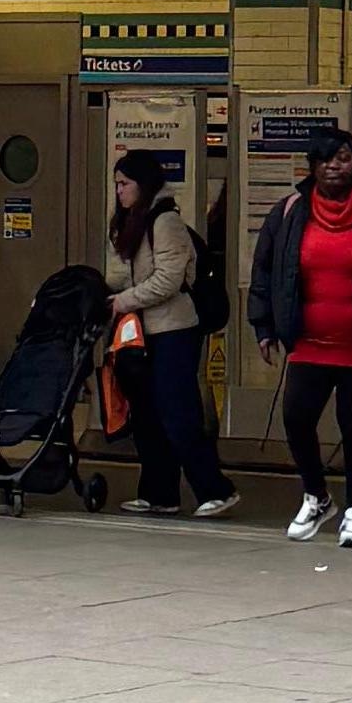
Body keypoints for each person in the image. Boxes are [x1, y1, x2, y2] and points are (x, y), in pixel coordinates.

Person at [244, 121, 352, 552]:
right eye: (325, 159)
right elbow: (266, 271)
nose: (334, 167)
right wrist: (263, 326)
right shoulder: (288, 213)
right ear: (312, 166)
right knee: (297, 420)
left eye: (343, 158)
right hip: (307, 343)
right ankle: (317, 495)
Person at [102, 145, 232, 520]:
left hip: (174, 329)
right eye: (117, 184)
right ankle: (159, 493)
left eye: (124, 184)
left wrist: (123, 301)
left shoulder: (166, 223)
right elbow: (125, 273)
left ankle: (215, 488)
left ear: (143, 185)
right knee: (148, 413)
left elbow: (168, 281)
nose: (119, 191)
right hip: (143, 332)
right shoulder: (133, 223)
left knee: (178, 412)